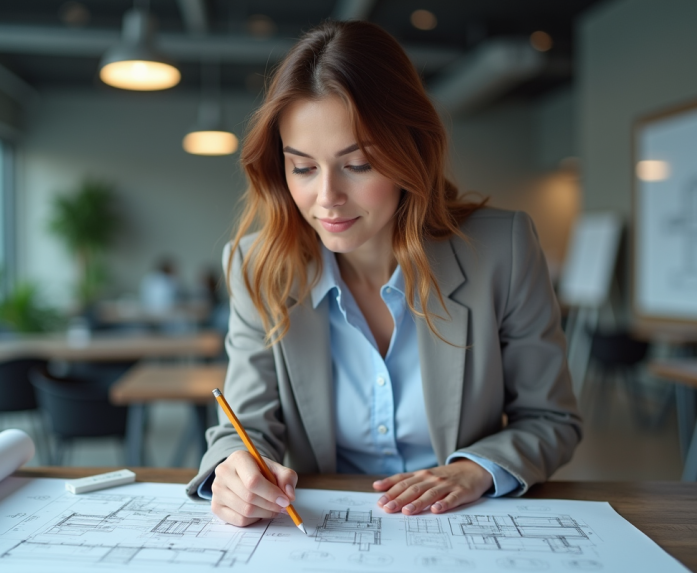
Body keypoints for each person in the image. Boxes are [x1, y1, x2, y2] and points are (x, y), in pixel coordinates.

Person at [185, 20, 581, 526]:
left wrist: (475, 470)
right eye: (302, 168)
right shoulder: (256, 266)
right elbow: (245, 427)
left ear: (409, 152)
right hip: (327, 533)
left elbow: (551, 418)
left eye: (358, 165)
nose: (327, 197)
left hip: (458, 523)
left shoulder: (503, 249)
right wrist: (235, 470)